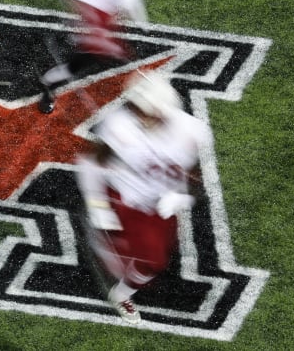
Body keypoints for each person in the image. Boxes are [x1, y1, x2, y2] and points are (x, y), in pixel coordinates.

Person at [75, 70, 211, 324]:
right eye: (135, 107)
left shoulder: (190, 132)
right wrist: (98, 205)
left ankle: (120, 283)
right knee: (148, 260)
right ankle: (120, 293)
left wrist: (183, 197)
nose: (137, 113)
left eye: (143, 109)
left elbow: (195, 179)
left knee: (156, 259)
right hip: (125, 197)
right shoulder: (121, 127)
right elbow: (91, 164)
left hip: (159, 204)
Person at [37, 0, 152, 114]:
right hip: (87, 1)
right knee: (87, 58)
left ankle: (76, 38)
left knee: (103, 47)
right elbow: (134, 11)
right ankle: (47, 83)